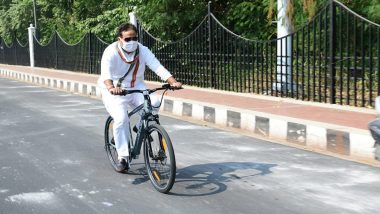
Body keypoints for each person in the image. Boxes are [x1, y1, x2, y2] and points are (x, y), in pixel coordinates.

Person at [98, 23, 182, 172]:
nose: (132, 42)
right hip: (115, 91)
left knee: (154, 102)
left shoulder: (142, 50)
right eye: (128, 39)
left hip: (137, 88)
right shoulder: (110, 52)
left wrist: (173, 82)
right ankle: (123, 157)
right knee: (121, 118)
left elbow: (157, 66)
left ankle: (140, 127)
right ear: (120, 39)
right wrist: (111, 88)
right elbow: (106, 73)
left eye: (134, 38)